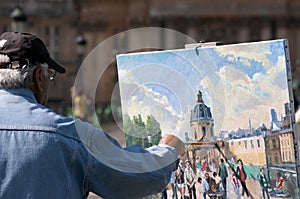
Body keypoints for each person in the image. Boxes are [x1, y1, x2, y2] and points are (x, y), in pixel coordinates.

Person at [0, 32, 185, 199]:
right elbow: (136, 177)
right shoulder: (69, 135)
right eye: (50, 75)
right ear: (39, 77)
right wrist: (169, 149)